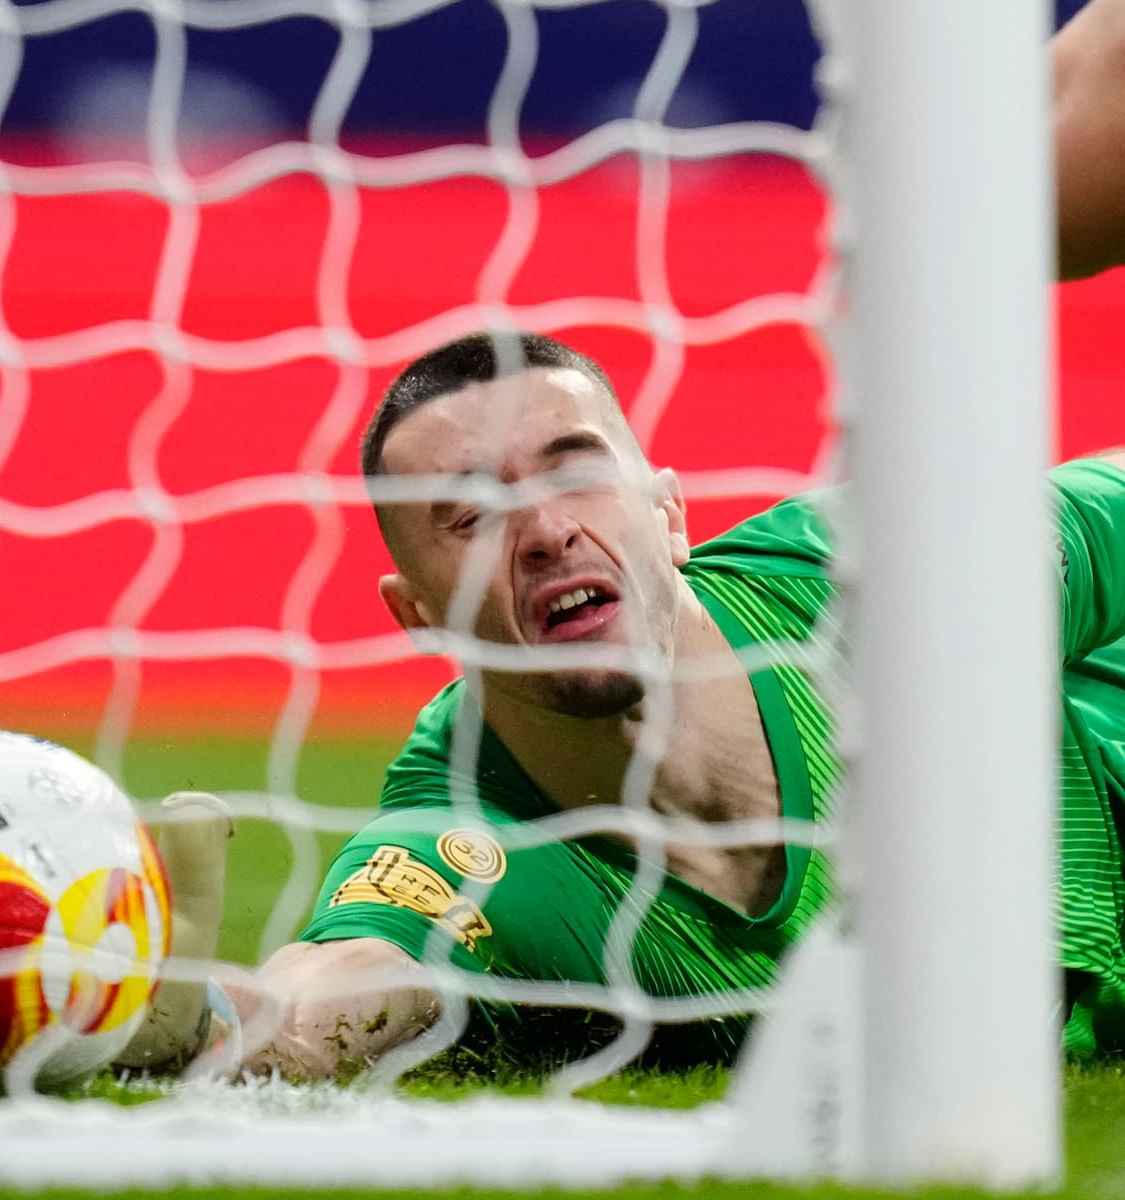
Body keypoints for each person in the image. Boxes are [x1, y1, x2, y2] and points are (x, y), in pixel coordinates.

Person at [118, 0, 1125, 1079]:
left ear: (671, 514)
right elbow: (346, 980)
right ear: (415, 616)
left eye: (578, 473)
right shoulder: (484, 852)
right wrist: (197, 1026)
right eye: (468, 515)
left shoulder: (881, 577)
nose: (548, 532)